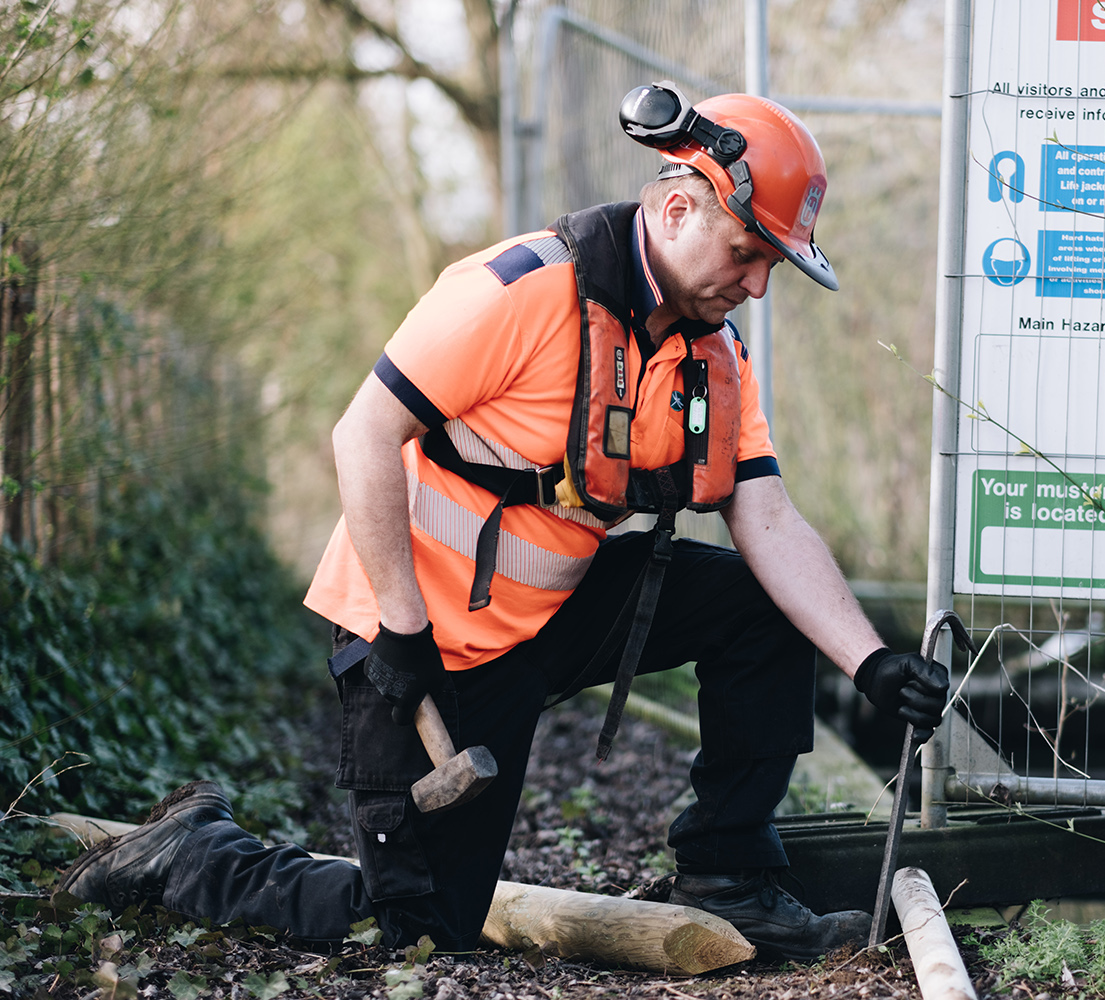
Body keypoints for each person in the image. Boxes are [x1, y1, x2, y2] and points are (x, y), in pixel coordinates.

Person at [58, 83, 949, 963]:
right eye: (750, 254)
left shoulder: (711, 354)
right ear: (679, 206)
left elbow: (767, 513)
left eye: (772, 267)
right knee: (409, 927)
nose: (757, 285)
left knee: (766, 603)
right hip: (417, 635)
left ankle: (729, 879)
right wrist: (401, 632)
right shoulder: (518, 291)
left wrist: (865, 659)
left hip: (550, 613)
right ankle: (193, 854)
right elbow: (363, 433)